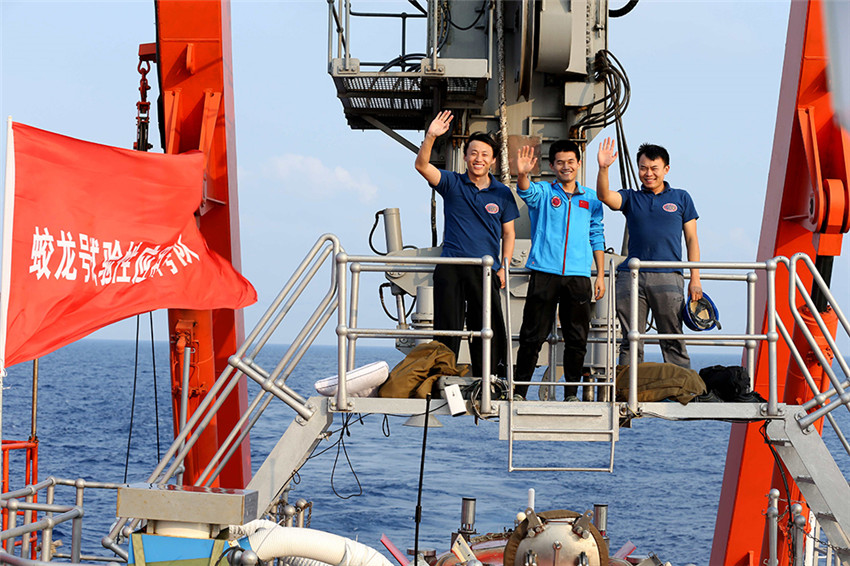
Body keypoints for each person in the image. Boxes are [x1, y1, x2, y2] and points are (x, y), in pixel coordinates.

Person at [414, 110, 519, 377]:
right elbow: (422, 166)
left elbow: (509, 234)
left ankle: (488, 377)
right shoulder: (452, 182)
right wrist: (430, 136)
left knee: (487, 325)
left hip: (485, 269)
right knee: (448, 326)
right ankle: (441, 374)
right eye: (473, 153)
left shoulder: (503, 193)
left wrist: (504, 267)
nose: (478, 159)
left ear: (493, 161)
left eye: (484, 154)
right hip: (452, 264)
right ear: (465, 157)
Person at [596, 137, 701, 369]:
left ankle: (680, 392)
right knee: (631, 339)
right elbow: (605, 197)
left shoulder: (681, 198)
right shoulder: (631, 198)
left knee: (672, 336)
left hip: (668, 276)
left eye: (654, 168)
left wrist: (695, 279)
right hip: (632, 277)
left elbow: (692, 240)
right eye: (643, 168)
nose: (648, 173)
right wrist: (603, 168)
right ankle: (627, 391)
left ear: (666, 169)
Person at [513, 141, 606, 401]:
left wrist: (599, 274)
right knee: (532, 335)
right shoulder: (543, 192)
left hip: (578, 276)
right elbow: (526, 192)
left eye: (571, 161)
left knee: (577, 338)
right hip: (544, 272)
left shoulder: (591, 199)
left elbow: (596, 235)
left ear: (578, 164)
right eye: (560, 162)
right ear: (552, 166)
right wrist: (522, 174)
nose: (566, 167)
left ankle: (571, 394)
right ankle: (520, 391)